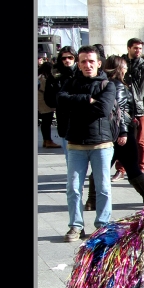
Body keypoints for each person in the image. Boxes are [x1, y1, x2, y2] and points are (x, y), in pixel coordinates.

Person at [86, 55, 144, 207]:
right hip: (122, 133)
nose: (125, 70)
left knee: (102, 166)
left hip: (109, 132)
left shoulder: (103, 83)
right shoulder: (117, 86)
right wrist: (123, 132)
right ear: (119, 69)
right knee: (131, 165)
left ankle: (92, 199)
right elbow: (118, 111)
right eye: (124, 67)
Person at [57, 46, 116, 242]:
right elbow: (60, 101)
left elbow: (102, 109)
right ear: (78, 63)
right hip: (75, 143)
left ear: (99, 63)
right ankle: (75, 226)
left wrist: (76, 105)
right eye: (83, 61)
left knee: (103, 188)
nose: (87, 65)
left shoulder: (108, 85)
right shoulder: (70, 82)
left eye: (91, 61)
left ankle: (102, 225)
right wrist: (86, 100)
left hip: (101, 144)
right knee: (73, 188)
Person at [113, 38, 144, 180]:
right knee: (121, 139)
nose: (138, 51)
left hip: (139, 108)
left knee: (140, 141)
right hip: (124, 108)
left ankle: (140, 168)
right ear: (128, 48)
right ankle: (121, 169)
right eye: (135, 48)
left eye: (140, 48)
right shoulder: (121, 63)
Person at [44, 46, 79, 159]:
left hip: (83, 121)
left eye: (70, 57)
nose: (67, 60)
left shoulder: (81, 74)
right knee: (70, 157)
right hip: (64, 120)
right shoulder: (55, 77)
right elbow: (49, 99)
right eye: (64, 58)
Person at [38, 62, 61, 148]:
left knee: (45, 122)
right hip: (44, 102)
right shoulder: (44, 78)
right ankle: (47, 140)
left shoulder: (39, 77)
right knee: (46, 122)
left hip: (40, 101)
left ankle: (46, 140)